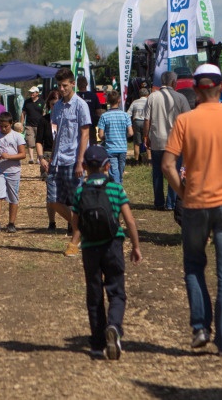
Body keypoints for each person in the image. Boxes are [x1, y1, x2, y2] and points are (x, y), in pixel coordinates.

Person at [162, 63, 222, 357]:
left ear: (195, 90)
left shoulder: (185, 121)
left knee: (194, 265)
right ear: (221, 88)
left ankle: (201, 328)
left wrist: (183, 191)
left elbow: (167, 165)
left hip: (195, 203)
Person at [71, 144, 142, 360]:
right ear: (107, 166)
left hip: (90, 248)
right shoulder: (116, 189)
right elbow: (129, 220)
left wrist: (77, 239)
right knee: (116, 290)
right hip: (113, 245)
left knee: (94, 294)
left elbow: (75, 222)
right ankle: (114, 326)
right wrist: (136, 246)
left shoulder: (80, 191)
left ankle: (97, 343)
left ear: (84, 167)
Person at [40, 67, 90, 258]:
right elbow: (57, 134)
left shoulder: (80, 105)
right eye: (59, 86)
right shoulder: (58, 107)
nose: (61, 89)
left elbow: (85, 134)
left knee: (75, 202)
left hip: (73, 159)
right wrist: (52, 157)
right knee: (53, 200)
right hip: (57, 159)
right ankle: (81, 226)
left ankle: (75, 240)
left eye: (65, 85)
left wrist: (80, 161)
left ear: (73, 84)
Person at [145, 71, 191, 210]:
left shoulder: (152, 97)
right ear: (173, 82)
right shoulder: (181, 97)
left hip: (157, 140)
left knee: (157, 173)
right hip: (175, 142)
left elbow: (147, 120)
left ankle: (159, 202)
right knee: (174, 172)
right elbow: (188, 120)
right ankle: (171, 203)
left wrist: (146, 136)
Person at [0, 112, 27, 233]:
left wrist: (9, 157)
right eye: (1, 126)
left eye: (6, 126)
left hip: (13, 171)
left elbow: (23, 154)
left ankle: (11, 223)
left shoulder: (17, 136)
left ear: (11, 124)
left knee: (13, 197)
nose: (3, 129)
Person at [36, 88, 60, 231]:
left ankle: (70, 222)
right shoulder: (44, 120)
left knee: (66, 191)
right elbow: (39, 141)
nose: (55, 107)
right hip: (48, 155)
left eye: (58, 104)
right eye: (53, 104)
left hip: (63, 155)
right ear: (49, 105)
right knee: (51, 192)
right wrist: (41, 158)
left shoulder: (65, 119)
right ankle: (52, 222)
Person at [97, 89, 131, 184]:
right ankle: (119, 185)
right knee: (120, 169)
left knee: (114, 170)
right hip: (122, 147)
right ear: (119, 100)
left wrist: (105, 138)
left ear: (107, 101)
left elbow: (100, 134)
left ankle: (117, 186)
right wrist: (123, 136)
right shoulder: (125, 115)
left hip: (110, 148)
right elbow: (131, 133)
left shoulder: (104, 116)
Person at [22, 86, 45, 165]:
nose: (31, 94)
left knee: (39, 141)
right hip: (29, 125)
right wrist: (21, 123)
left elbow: (44, 113)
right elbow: (23, 113)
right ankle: (31, 158)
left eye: (33, 92)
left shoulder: (42, 102)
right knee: (30, 141)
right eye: (30, 92)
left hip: (39, 125)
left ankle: (38, 158)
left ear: (37, 93)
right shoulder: (27, 102)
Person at [128, 85, 150, 165]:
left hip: (136, 122)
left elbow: (128, 114)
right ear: (147, 94)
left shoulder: (135, 102)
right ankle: (149, 161)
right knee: (148, 141)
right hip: (146, 122)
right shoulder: (149, 101)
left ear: (139, 94)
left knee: (137, 143)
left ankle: (136, 161)